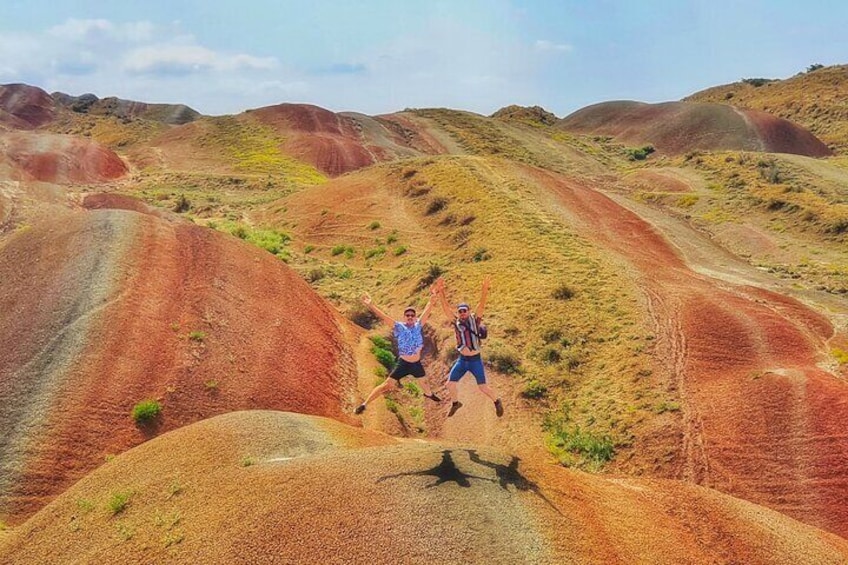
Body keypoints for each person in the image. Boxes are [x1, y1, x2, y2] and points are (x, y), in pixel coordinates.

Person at [354, 286, 442, 415]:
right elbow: (384, 316)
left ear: (415, 317)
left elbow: (428, 309)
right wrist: (371, 305)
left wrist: (433, 297)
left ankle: (428, 394)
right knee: (387, 385)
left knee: (425, 383)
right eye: (408, 315)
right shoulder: (399, 327)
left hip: (416, 363)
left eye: (412, 315)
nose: (410, 317)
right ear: (404, 317)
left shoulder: (418, 326)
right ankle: (364, 404)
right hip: (404, 363)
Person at [434, 277, 504, 417]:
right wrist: (441, 292)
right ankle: (456, 403)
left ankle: (497, 401)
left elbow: (482, 304)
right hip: (462, 360)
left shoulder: (475, 320)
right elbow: (445, 308)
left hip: (475, 361)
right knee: (450, 384)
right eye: (460, 311)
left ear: (468, 311)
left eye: (464, 310)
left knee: (482, 387)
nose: (462, 313)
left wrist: (484, 290)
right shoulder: (456, 322)